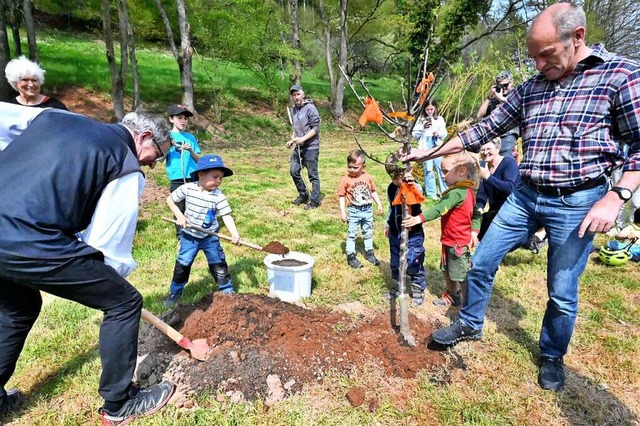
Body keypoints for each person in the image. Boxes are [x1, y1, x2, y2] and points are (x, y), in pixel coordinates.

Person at [402, 2, 640, 392]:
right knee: (481, 261)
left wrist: (617, 195)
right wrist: (427, 153)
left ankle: (551, 354)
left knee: (561, 292)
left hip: (578, 203)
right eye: (533, 56)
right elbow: (485, 128)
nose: (538, 65)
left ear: (577, 37)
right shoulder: (532, 88)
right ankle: (471, 322)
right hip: (526, 195)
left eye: (546, 55)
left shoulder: (621, 76)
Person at [0, 102, 175, 423]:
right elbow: (109, 252)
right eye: (158, 156)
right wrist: (109, 283)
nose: (153, 165)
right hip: (25, 237)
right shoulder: (124, 164)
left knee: (18, 306)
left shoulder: (54, 117)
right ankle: (120, 403)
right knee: (124, 302)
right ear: (145, 136)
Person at [402, 152, 480, 308]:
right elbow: (476, 213)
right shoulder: (468, 190)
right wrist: (474, 231)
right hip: (450, 240)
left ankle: (469, 306)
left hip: (457, 243)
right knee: (447, 270)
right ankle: (453, 296)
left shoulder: (457, 193)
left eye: (445, 171)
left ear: (461, 171)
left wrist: (418, 218)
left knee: (461, 275)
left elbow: (439, 209)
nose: (442, 175)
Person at [165, 154, 240, 307]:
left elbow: (226, 215)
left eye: (221, 178)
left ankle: (227, 291)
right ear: (201, 174)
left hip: (209, 238)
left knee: (219, 264)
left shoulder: (218, 196)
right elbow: (170, 200)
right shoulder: (187, 189)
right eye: (215, 177)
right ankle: (175, 293)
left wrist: (234, 233)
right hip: (189, 237)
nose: (219, 181)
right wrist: (179, 215)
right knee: (182, 266)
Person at [384, 156, 427, 305]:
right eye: (393, 177)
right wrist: (388, 224)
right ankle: (397, 287)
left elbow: (419, 192)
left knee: (414, 260)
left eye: (400, 176)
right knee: (395, 261)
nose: (397, 180)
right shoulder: (391, 188)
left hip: (413, 234)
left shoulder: (414, 187)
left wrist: (411, 182)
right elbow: (391, 208)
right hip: (396, 233)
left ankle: (417, 289)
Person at [337, 149, 384, 269]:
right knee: (352, 234)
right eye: (349, 167)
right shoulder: (345, 180)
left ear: (363, 166)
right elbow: (342, 197)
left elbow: (373, 191)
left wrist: (379, 204)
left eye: (355, 167)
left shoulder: (367, 177)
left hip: (367, 210)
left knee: (368, 232)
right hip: (354, 211)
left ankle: (369, 253)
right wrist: (343, 212)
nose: (351, 170)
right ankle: (351, 256)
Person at [472, 138, 520, 244]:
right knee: (476, 227)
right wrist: (479, 207)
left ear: (498, 149)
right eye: (482, 150)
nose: (485, 153)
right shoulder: (483, 165)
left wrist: (488, 177)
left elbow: (509, 188)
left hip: (511, 210)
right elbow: (482, 192)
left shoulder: (509, 162)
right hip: (494, 211)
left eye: (489, 149)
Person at [165, 104, 202, 238]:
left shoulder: (190, 138)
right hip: (177, 178)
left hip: (193, 176)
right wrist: (170, 145)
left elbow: (199, 160)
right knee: (179, 206)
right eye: (179, 117)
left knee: (195, 204)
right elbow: (160, 158)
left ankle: (196, 230)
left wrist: (190, 150)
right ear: (171, 119)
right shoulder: (167, 136)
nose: (183, 121)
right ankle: (181, 234)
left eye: (185, 118)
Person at [286, 84, 321, 209]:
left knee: (313, 175)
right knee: (294, 170)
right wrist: (293, 140)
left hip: (311, 147)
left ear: (303, 94)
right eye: (294, 95)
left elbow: (315, 129)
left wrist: (302, 139)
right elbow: (297, 128)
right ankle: (303, 194)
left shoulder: (310, 108)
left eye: (298, 94)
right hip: (299, 146)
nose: (296, 97)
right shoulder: (294, 109)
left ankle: (315, 201)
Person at [476, 70, 517, 158]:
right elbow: (479, 115)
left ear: (511, 82)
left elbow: (515, 107)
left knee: (505, 159)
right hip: (493, 134)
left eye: (505, 85)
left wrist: (502, 99)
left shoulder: (515, 94)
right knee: (487, 160)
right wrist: (489, 98)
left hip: (508, 133)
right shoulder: (495, 97)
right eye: (500, 86)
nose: (503, 88)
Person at [412, 99, 448, 199]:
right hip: (425, 146)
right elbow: (414, 134)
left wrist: (438, 134)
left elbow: (444, 134)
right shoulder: (421, 119)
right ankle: (431, 193)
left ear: (435, 108)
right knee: (428, 169)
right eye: (427, 109)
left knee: (441, 168)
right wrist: (422, 127)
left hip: (436, 144)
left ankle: (444, 191)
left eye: (431, 109)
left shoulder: (439, 119)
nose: (430, 111)